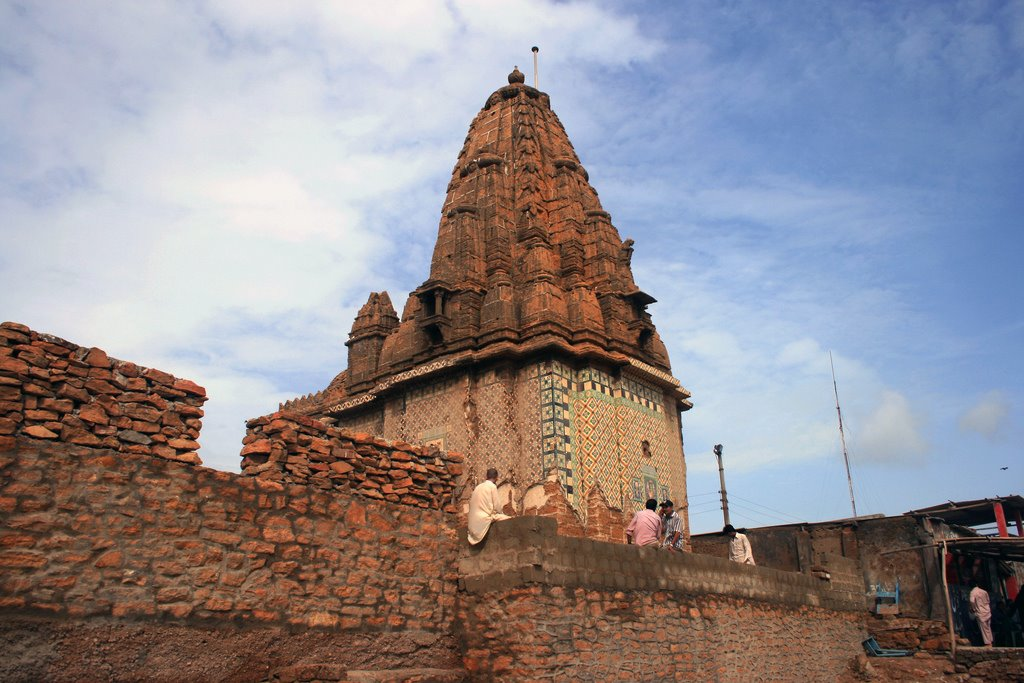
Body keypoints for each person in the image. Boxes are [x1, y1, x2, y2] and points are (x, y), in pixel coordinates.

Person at [467, 467, 510, 545]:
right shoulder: (492, 487)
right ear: (496, 478)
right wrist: (501, 513)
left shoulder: (477, 487)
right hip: (482, 521)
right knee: (508, 519)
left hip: (471, 525)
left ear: (486, 477)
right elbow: (497, 506)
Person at [969, 578, 993, 647]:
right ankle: (990, 641)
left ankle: (987, 643)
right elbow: (988, 601)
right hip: (987, 611)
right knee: (988, 627)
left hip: (980, 612)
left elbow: (972, 601)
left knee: (983, 628)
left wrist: (973, 608)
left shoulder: (973, 592)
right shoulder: (984, 591)